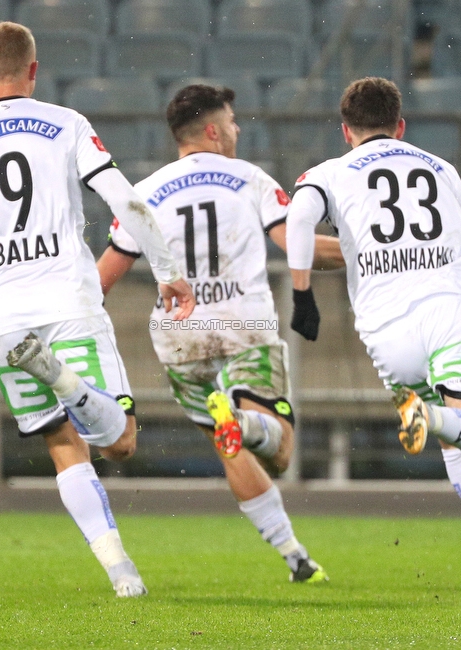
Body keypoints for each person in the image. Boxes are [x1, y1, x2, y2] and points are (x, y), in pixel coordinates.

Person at [0, 22, 195, 598]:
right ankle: (65, 378)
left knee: (64, 444)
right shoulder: (67, 124)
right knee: (121, 441)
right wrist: (168, 271)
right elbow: (125, 200)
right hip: (69, 300)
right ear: (34, 69)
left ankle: (119, 571)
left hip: (4, 318)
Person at [284, 77, 461, 594]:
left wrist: (301, 296)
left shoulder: (328, 173)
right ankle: (432, 418)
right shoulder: (442, 169)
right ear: (401, 126)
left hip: (386, 333)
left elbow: (298, 221)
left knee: (452, 440)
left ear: (345, 131)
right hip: (447, 312)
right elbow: (459, 245)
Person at [97, 84, 344, 583]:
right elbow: (296, 244)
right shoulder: (250, 179)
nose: (237, 129)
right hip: (243, 324)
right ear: (212, 130)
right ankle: (245, 423)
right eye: (231, 121)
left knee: (226, 442)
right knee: (278, 449)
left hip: (178, 334)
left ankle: (294, 555)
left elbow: (102, 278)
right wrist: (365, 250)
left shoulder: (142, 193)